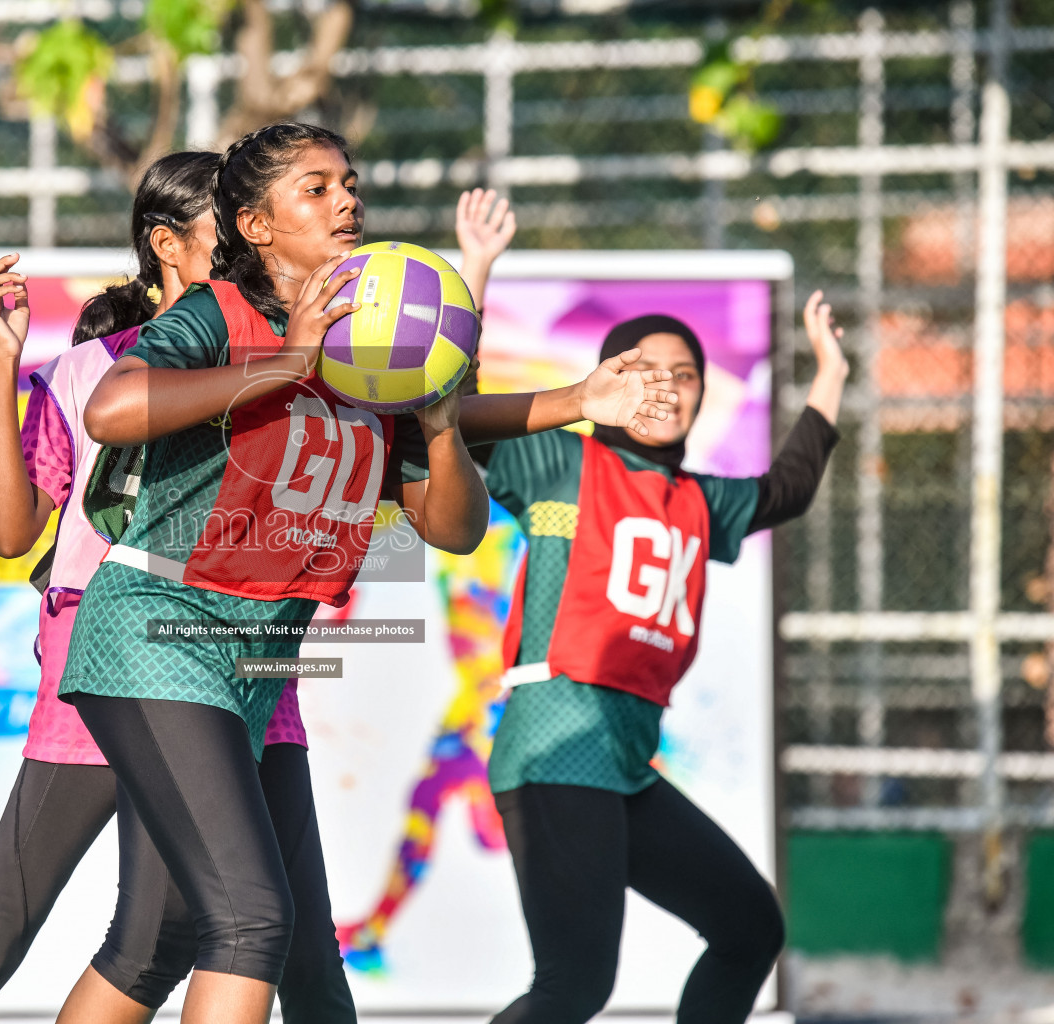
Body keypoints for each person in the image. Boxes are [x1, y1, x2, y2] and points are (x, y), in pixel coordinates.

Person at [61, 121, 679, 1024]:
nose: (347, 197)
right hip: (159, 632)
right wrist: (288, 361)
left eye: (349, 181)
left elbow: (453, 528)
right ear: (256, 224)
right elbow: (114, 411)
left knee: (259, 953)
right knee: (250, 921)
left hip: (260, 665)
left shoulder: (375, 345)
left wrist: (541, 407)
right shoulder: (217, 315)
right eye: (315, 187)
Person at [0, 151, 233, 1024]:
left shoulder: (268, 368)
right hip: (96, 662)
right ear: (168, 245)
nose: (247, 252)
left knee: (169, 937)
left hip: (208, 667)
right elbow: (13, 537)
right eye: (226, 233)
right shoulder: (92, 372)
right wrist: (6, 363)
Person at [482, 292, 850, 1024]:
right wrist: (478, 275)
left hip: (621, 764)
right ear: (606, 380)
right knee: (574, 983)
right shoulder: (562, 457)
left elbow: (787, 489)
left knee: (750, 930)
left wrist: (831, 371)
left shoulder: (697, 499)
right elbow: (463, 420)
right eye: (643, 369)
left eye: (684, 375)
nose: (665, 386)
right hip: (555, 749)